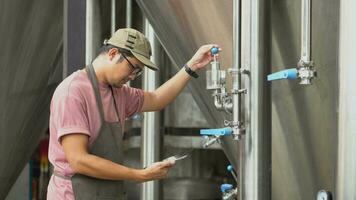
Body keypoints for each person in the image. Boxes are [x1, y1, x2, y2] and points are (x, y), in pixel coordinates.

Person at [47, 28, 220, 200]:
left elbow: (157, 98)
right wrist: (140, 175)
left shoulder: (119, 92)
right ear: (113, 53)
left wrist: (191, 66)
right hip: (72, 195)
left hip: (107, 193)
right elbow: (79, 160)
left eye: (138, 72)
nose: (132, 76)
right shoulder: (72, 92)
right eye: (133, 67)